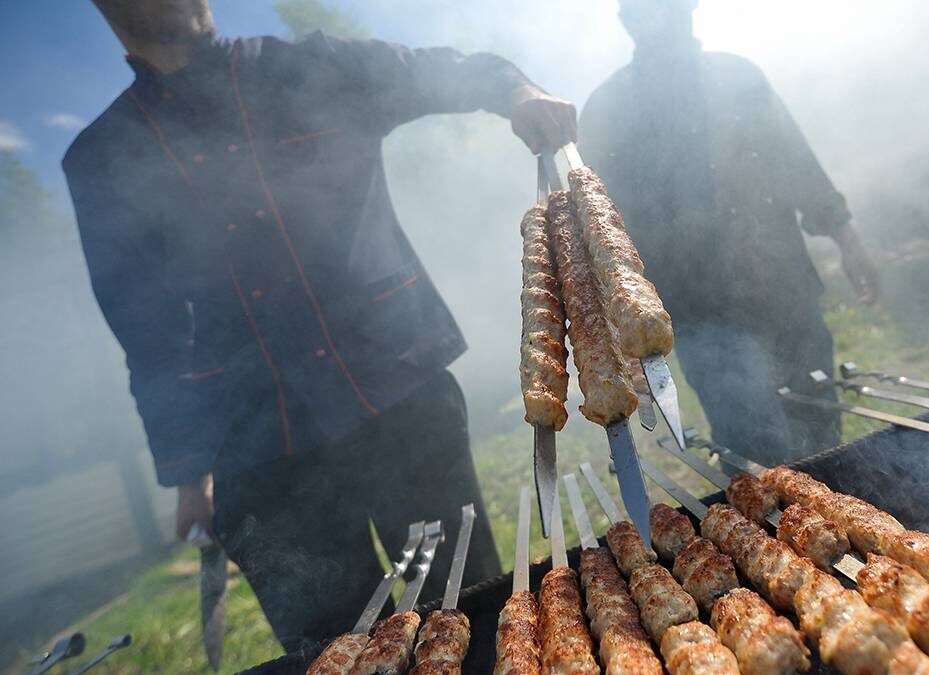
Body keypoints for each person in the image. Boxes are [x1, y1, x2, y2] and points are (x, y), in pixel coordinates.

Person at [65, 0, 577, 652]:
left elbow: (450, 69)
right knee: (340, 652)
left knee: (464, 620)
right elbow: (147, 331)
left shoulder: (309, 66)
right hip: (259, 457)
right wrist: (188, 475)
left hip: (400, 404)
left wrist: (519, 93)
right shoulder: (102, 158)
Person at [579, 0, 881, 465]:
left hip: (787, 293)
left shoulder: (738, 75)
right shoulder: (607, 108)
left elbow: (796, 162)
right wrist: (618, 337)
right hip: (703, 318)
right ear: (628, 19)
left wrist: (848, 239)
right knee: (759, 462)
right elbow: (602, 233)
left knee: (827, 444)